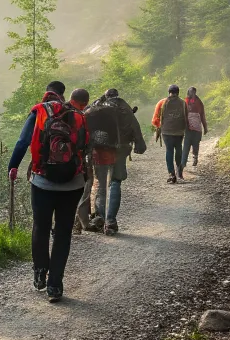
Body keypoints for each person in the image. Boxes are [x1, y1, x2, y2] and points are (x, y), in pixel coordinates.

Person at [7, 80, 89, 302]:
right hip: (73, 183)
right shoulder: (77, 115)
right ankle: (55, 285)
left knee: (41, 227)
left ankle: (40, 272)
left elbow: (22, 142)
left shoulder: (40, 111)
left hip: (42, 181)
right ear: (63, 96)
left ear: (47, 93)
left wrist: (13, 166)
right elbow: (84, 147)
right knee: (63, 233)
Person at [90, 87, 146, 234]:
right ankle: (111, 222)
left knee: (101, 183)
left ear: (106, 96)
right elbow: (135, 126)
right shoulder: (124, 107)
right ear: (117, 96)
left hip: (100, 149)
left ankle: (100, 217)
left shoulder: (98, 106)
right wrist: (140, 144)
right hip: (120, 150)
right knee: (115, 182)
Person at [67, 87, 94, 234]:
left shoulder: (57, 112)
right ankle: (78, 224)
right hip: (76, 162)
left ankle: (62, 225)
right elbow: (84, 142)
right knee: (84, 189)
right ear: (84, 103)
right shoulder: (80, 116)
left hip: (54, 163)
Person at [152, 84, 187, 183]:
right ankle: (179, 170)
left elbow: (155, 120)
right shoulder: (183, 103)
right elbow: (186, 118)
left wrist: (160, 126)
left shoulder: (162, 103)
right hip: (179, 131)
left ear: (169, 92)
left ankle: (171, 174)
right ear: (178, 92)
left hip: (166, 132)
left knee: (169, 150)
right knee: (179, 148)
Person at [182, 85, 208, 172]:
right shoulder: (186, 101)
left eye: (192, 92)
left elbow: (202, 115)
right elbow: (183, 114)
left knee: (195, 144)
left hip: (195, 128)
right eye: (190, 92)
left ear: (195, 93)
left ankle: (194, 157)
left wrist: (205, 127)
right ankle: (183, 162)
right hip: (188, 127)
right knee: (187, 144)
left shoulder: (198, 103)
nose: (191, 93)